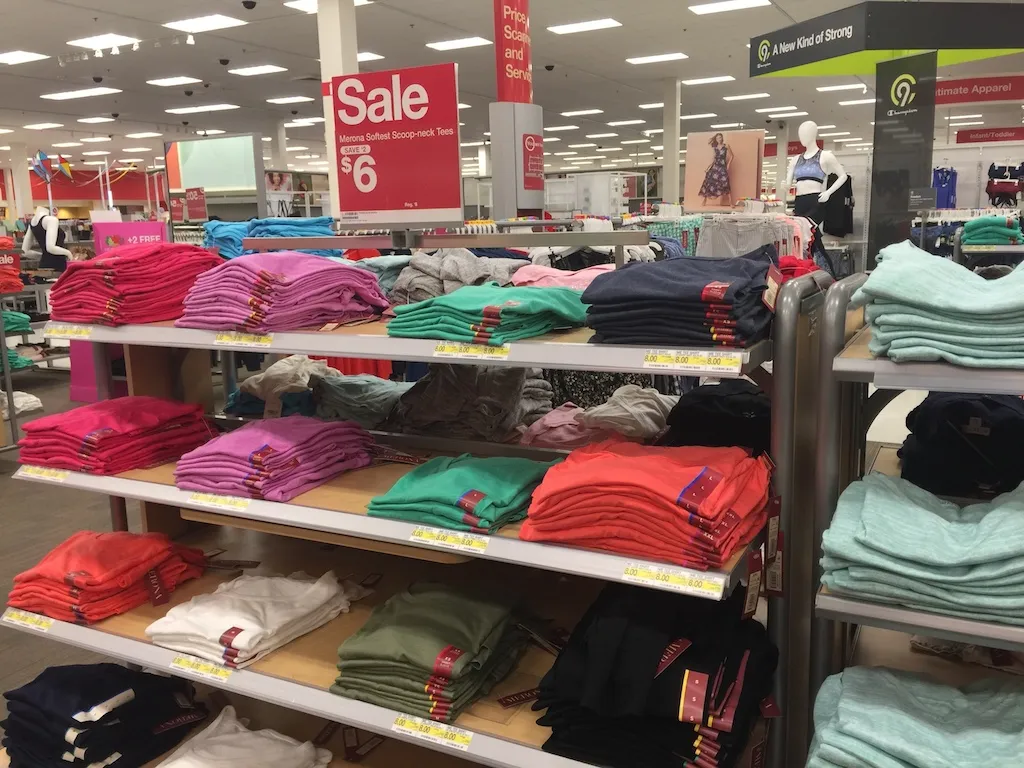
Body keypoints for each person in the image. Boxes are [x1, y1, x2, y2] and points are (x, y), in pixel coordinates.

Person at [699, 132, 733, 207]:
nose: (719, 139)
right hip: (715, 167)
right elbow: (713, 159)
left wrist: (728, 165)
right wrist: (708, 167)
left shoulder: (726, 146)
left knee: (726, 183)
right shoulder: (715, 148)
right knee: (709, 181)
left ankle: (731, 203)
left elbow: (732, 156)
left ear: (722, 138)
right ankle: (704, 200)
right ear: (716, 139)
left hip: (722, 167)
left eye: (720, 137)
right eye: (717, 138)